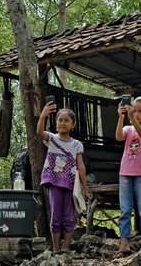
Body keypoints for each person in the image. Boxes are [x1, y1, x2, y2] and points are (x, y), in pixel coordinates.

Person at [37, 101, 88, 252]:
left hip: (70, 183)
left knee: (69, 217)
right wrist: (43, 115)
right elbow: (39, 131)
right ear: (55, 122)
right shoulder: (52, 139)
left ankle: (65, 247)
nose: (63, 123)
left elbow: (80, 166)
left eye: (67, 121)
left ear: (73, 125)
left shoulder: (77, 144)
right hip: (53, 182)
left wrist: (84, 187)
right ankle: (55, 249)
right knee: (56, 217)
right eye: (60, 120)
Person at [114, 96, 141, 257]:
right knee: (125, 209)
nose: (137, 114)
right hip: (125, 173)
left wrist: (132, 118)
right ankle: (124, 242)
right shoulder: (129, 129)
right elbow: (119, 137)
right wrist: (121, 117)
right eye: (135, 110)